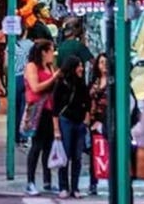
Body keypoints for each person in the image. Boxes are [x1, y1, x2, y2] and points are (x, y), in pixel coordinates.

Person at [24, 39, 61, 196]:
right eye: (51, 51)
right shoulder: (32, 66)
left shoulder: (49, 67)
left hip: (49, 109)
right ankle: (30, 181)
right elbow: (35, 87)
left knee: (48, 146)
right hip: (37, 109)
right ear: (44, 52)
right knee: (37, 145)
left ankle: (47, 181)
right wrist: (54, 78)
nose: (53, 54)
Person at [52, 55, 90, 199]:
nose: (81, 68)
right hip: (65, 121)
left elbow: (87, 101)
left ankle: (75, 187)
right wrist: (56, 129)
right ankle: (63, 186)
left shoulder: (81, 83)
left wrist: (86, 118)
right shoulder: (61, 84)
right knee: (65, 155)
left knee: (77, 156)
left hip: (79, 122)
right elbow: (55, 108)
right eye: (79, 66)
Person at [12, 24, 36, 147]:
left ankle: (15, 135)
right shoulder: (32, 45)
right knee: (25, 108)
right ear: (25, 31)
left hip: (14, 78)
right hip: (27, 77)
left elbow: (6, 64)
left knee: (14, 109)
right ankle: (23, 135)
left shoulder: (10, 46)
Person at [88, 52, 108, 196]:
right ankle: (93, 183)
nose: (104, 65)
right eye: (101, 62)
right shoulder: (94, 80)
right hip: (93, 121)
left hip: (108, 121)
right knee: (94, 152)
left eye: (106, 62)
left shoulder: (114, 81)